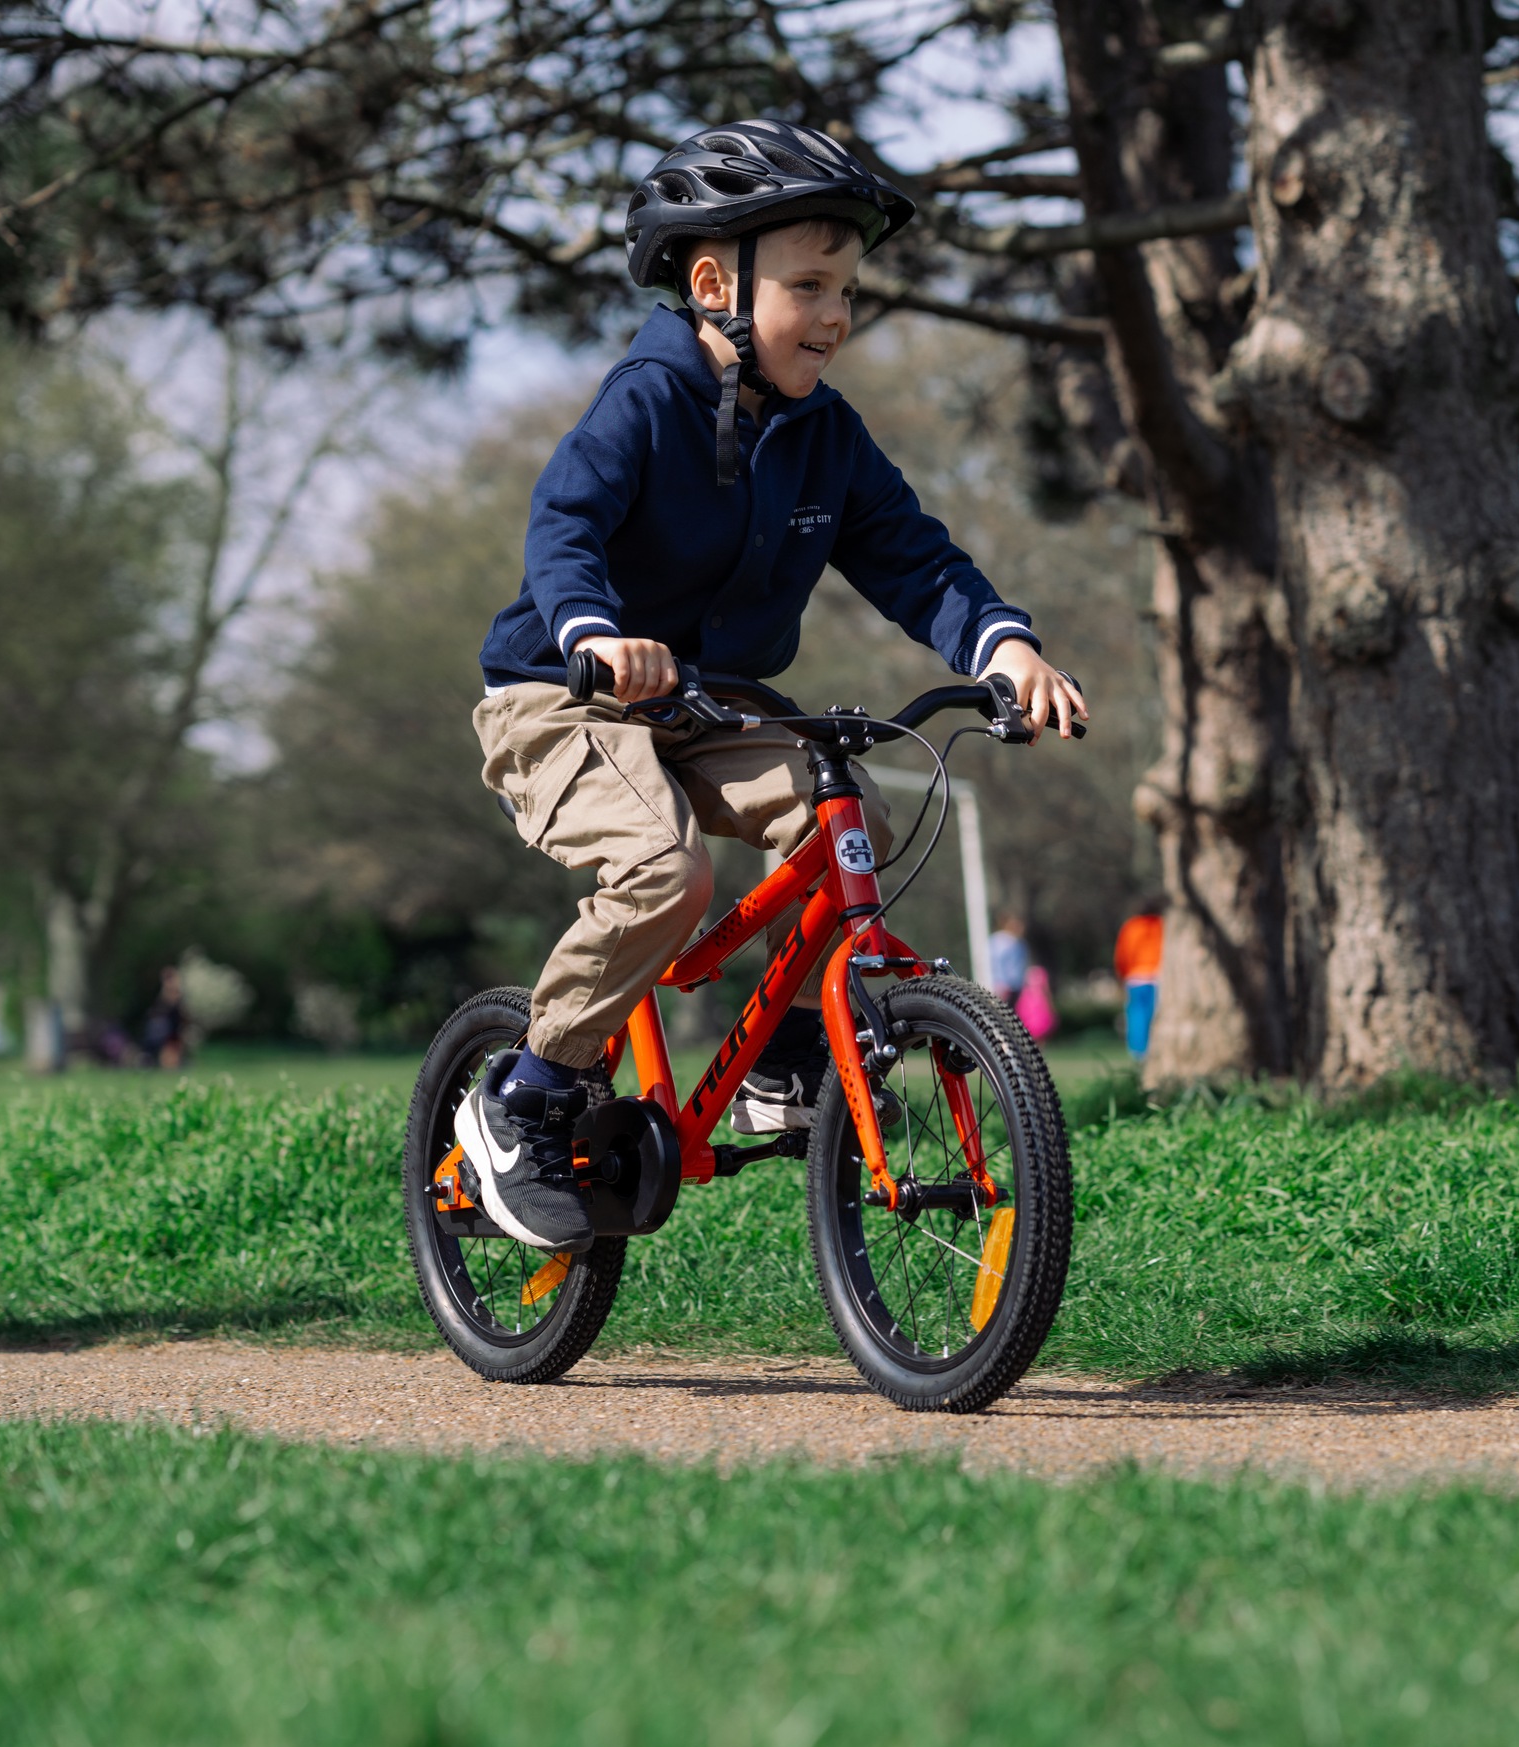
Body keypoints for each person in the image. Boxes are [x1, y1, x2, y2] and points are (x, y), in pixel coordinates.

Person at [452, 122, 1088, 1256]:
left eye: (848, 289)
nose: (838, 316)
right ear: (714, 286)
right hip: (566, 693)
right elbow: (566, 528)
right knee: (663, 870)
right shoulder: (644, 401)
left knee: (850, 820)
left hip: (707, 701)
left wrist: (1002, 648)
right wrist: (597, 632)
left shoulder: (822, 436)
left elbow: (913, 558)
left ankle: (788, 1060)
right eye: (811, 287)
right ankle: (528, 1098)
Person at [1113, 902, 1164, 1061]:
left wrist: (1121, 975)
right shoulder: (1161, 926)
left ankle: (1139, 1053)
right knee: (1155, 1016)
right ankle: (1156, 1049)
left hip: (1135, 978)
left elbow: (1123, 954)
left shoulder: (1131, 927)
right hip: (1158, 976)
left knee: (1137, 1016)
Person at [987, 911, 1030, 1010]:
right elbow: (995, 964)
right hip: (1003, 987)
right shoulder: (998, 941)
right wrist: (1001, 985)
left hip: (1017, 986)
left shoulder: (1020, 943)